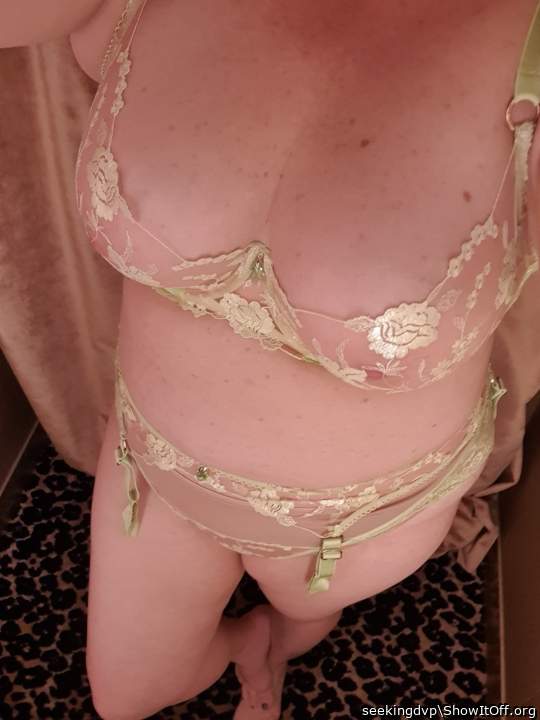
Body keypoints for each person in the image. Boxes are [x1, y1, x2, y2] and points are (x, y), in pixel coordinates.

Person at [4, 1, 540, 717]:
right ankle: (248, 642)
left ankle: (274, 644)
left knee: (303, 621)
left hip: (358, 524)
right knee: (126, 698)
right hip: (156, 475)